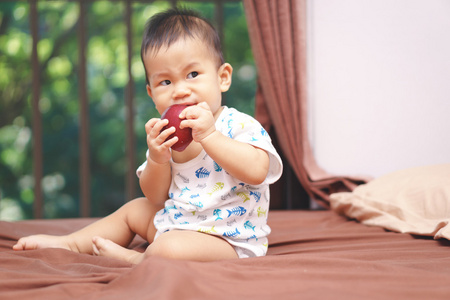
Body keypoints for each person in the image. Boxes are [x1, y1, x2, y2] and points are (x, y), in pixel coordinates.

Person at [13, 8, 282, 264]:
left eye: (193, 74)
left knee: (168, 247)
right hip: (177, 224)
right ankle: (70, 243)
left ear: (222, 77)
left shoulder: (237, 124)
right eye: (165, 82)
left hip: (227, 243)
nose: (180, 90)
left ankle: (138, 258)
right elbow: (156, 197)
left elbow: (257, 171)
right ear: (152, 93)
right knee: (135, 210)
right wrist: (157, 159)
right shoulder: (165, 135)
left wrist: (210, 135)